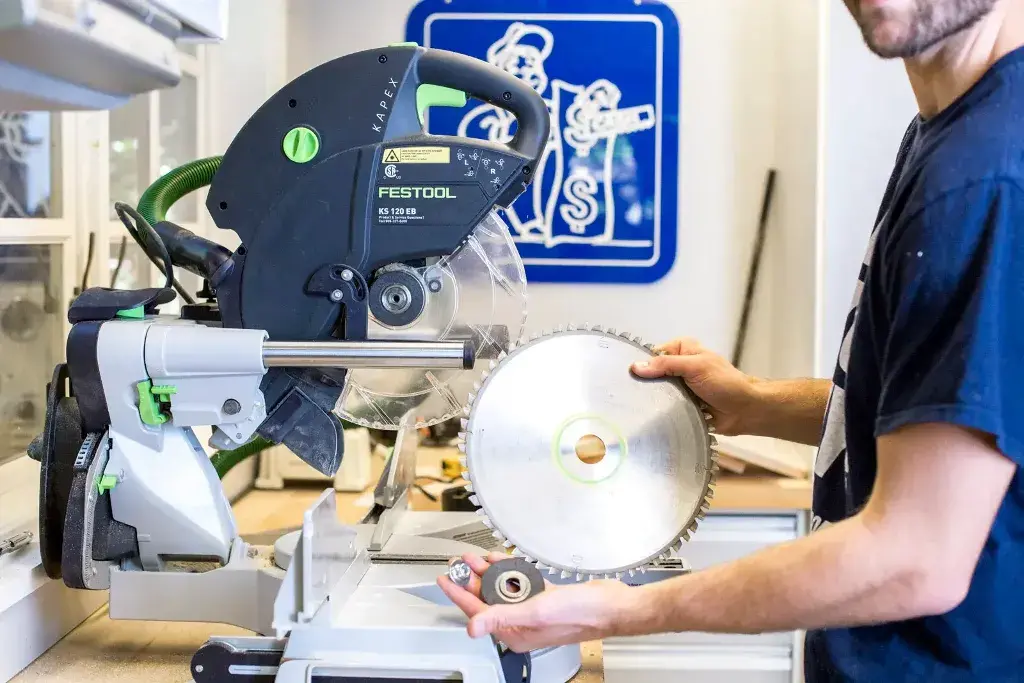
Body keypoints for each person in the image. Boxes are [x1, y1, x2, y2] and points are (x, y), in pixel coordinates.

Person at [438, 0, 1024, 680]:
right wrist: (754, 403)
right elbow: (933, 405)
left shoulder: (986, 177)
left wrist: (616, 609)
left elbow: (915, 556)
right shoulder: (951, 133)